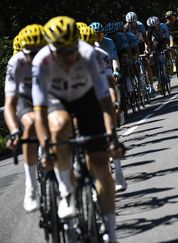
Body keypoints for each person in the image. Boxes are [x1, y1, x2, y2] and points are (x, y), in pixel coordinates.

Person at [32, 16, 124, 242]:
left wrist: (111, 136)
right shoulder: (41, 62)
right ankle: (66, 194)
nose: (66, 57)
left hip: (87, 99)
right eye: (60, 52)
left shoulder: (89, 55)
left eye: (70, 50)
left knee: (101, 163)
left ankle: (111, 233)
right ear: (50, 48)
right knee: (60, 127)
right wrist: (46, 146)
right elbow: (40, 111)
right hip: (56, 101)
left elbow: (104, 101)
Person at [77, 25, 127, 192]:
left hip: (99, 96)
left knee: (109, 134)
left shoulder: (101, 55)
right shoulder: (65, 60)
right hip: (79, 100)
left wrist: (114, 102)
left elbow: (110, 85)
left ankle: (118, 173)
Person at [4, 24, 46, 212]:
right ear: (22, 50)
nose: (35, 57)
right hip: (26, 98)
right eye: (31, 53)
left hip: (49, 96)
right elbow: (10, 104)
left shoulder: (52, 58)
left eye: (39, 52)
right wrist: (14, 131)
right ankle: (31, 187)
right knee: (29, 125)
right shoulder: (16, 62)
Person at [146, 16, 170, 92]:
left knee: (166, 52)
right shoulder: (149, 31)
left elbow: (167, 38)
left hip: (164, 40)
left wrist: (168, 47)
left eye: (157, 25)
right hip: (155, 44)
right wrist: (148, 50)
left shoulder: (163, 26)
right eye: (153, 27)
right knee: (156, 62)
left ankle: (169, 63)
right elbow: (148, 42)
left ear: (159, 23)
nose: (155, 27)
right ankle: (159, 81)